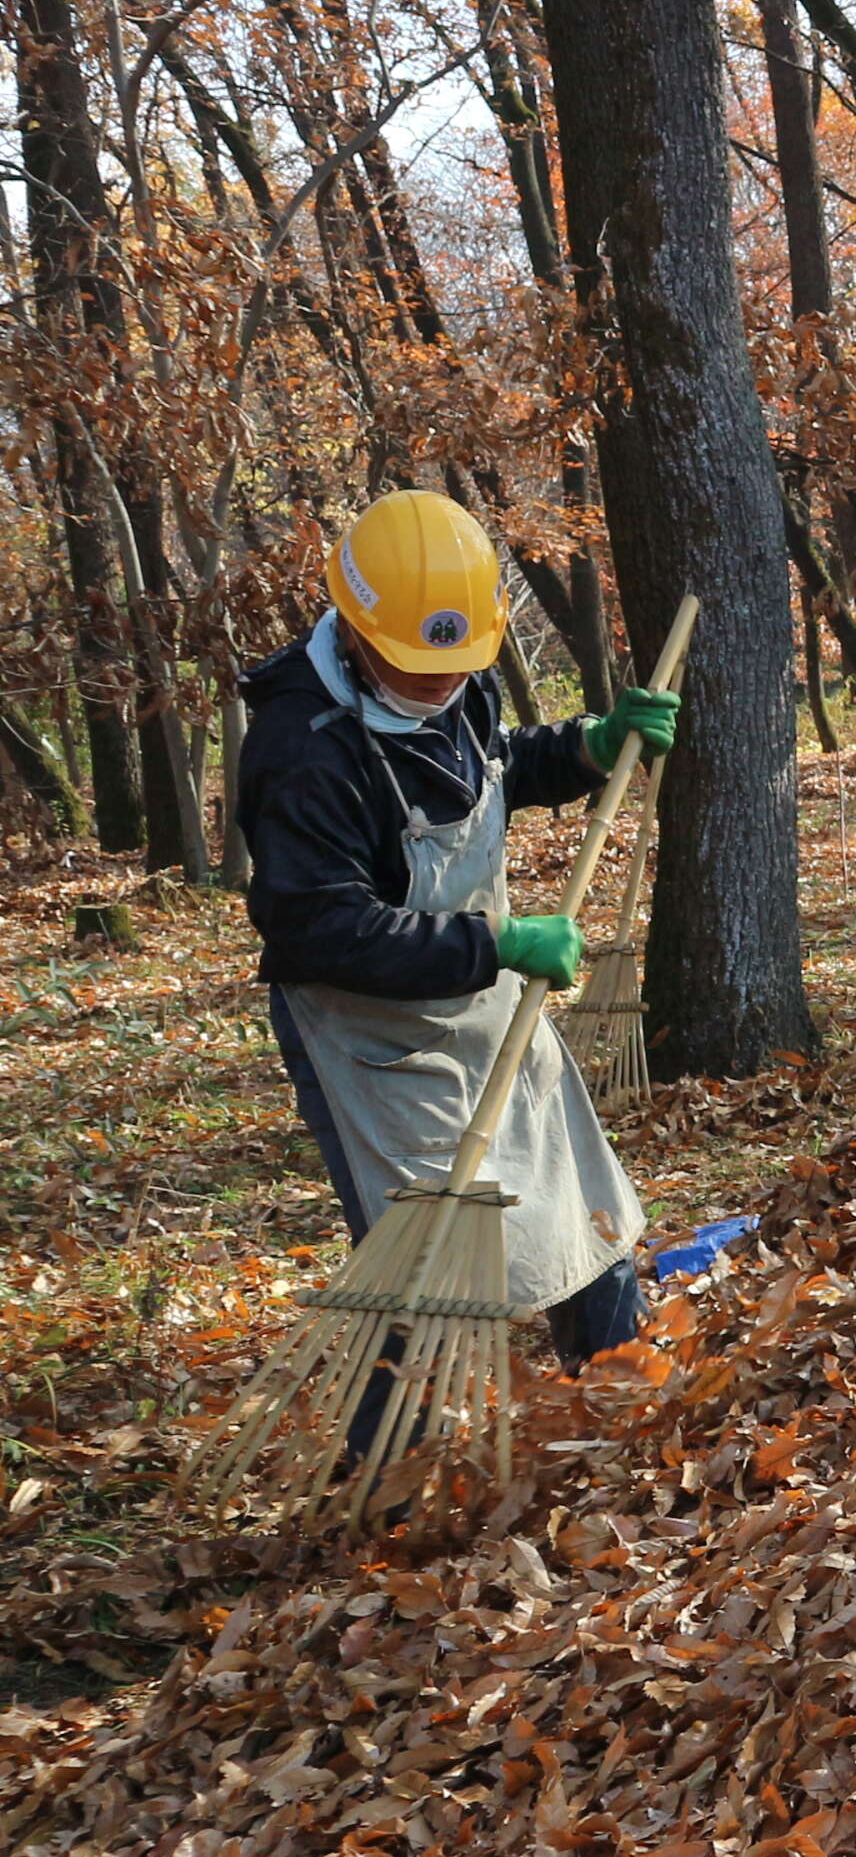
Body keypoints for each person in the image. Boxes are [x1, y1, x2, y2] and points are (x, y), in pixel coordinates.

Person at [238, 489, 677, 1366]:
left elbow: (491, 768)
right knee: (424, 1269)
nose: (443, 682)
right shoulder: (302, 750)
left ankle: (624, 1398)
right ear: (357, 632)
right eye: (416, 664)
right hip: (376, 1041)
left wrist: (589, 745)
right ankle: (395, 1476)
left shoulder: (457, 684)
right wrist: (497, 945)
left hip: (485, 1004)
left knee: (581, 1210)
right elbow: (323, 929)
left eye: (459, 663)